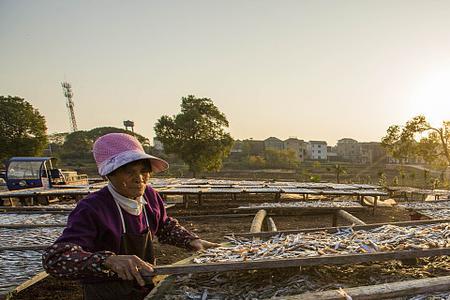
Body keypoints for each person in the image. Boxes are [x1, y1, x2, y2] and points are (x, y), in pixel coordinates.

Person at [42, 133, 218, 300]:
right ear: (109, 175)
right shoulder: (92, 208)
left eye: (143, 171)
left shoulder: (149, 195)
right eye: (129, 172)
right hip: (108, 293)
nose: (139, 178)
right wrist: (108, 260)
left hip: (145, 286)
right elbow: (56, 258)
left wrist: (191, 241)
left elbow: (164, 225)